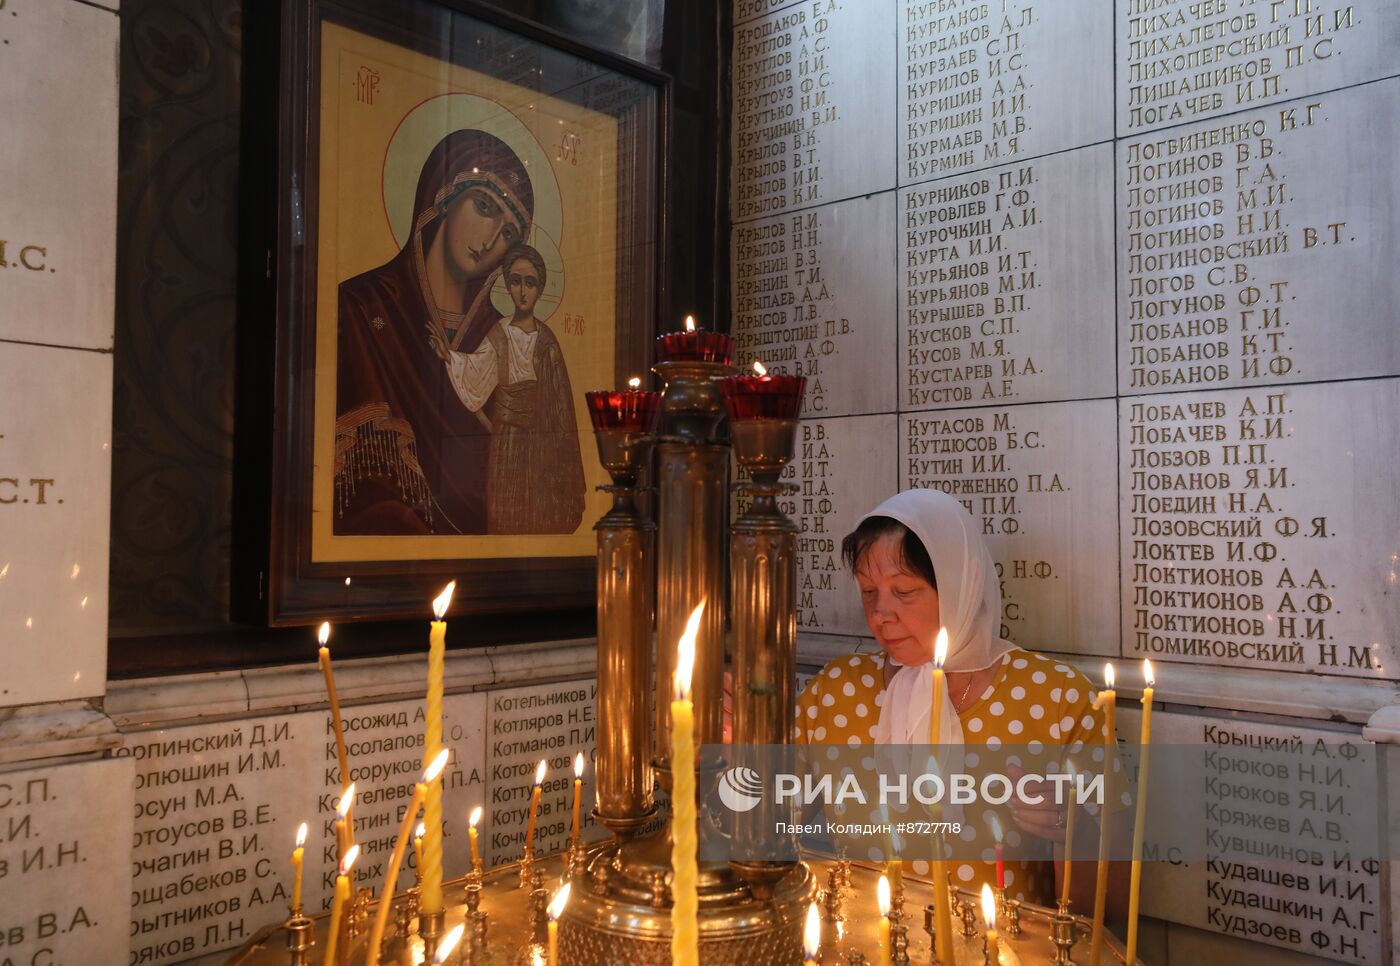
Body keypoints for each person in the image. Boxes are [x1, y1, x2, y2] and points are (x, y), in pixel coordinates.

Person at [793, 488, 1130, 912]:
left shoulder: (1058, 700)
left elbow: (1113, 903)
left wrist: (1072, 830)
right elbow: (762, 825)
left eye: (903, 591)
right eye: (868, 591)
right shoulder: (836, 692)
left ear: (960, 586)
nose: (881, 613)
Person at [334, 129, 534, 535]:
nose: (491, 239)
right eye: (483, 206)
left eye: (509, 233)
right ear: (442, 198)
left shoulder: (504, 339)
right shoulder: (362, 306)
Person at [444, 244, 585, 533]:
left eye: (530, 283)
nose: (523, 291)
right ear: (508, 286)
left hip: (541, 445)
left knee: (538, 514)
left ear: (540, 288)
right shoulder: (499, 333)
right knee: (507, 515)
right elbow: (475, 371)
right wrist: (448, 357)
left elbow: (562, 409)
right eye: (516, 281)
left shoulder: (547, 342)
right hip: (506, 443)